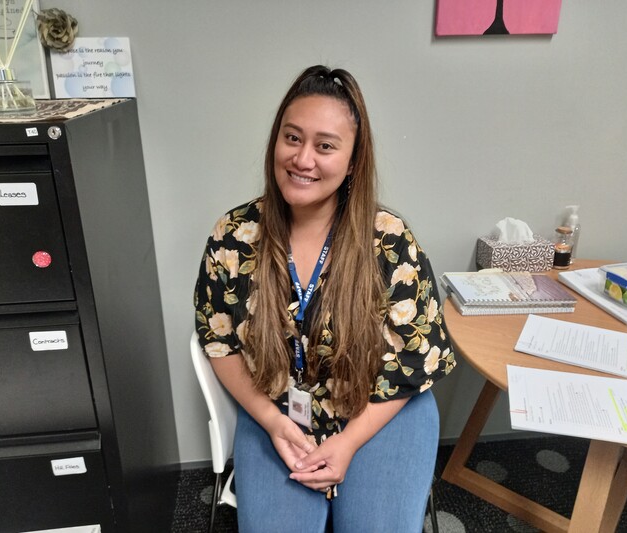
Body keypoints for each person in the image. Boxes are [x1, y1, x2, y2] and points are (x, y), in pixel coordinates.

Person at [194, 65, 456, 533]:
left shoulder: (389, 241)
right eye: (292, 138)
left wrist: (349, 442)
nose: (303, 159)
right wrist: (273, 424)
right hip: (276, 408)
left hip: (380, 408)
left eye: (326, 145)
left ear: (353, 160)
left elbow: (417, 359)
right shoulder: (233, 237)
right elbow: (220, 345)